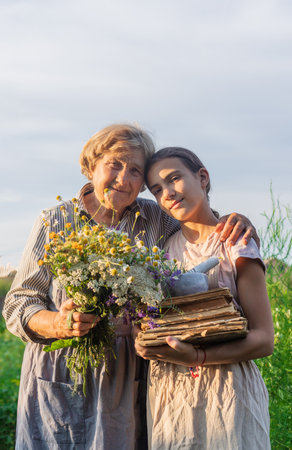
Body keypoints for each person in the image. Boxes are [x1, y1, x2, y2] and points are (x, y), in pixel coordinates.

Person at [3, 125, 259, 450]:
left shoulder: (154, 218)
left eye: (135, 170)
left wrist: (237, 222)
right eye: (115, 164)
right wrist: (56, 323)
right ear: (91, 166)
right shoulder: (55, 222)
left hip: (127, 382)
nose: (124, 179)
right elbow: (18, 303)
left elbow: (201, 224)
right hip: (62, 374)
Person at [135, 147, 274, 450]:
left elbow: (264, 339)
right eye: (157, 189)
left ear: (203, 177)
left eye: (174, 179)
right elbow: (150, 323)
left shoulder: (236, 240)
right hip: (170, 395)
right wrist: (143, 338)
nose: (167, 193)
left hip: (228, 392)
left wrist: (198, 357)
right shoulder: (157, 253)